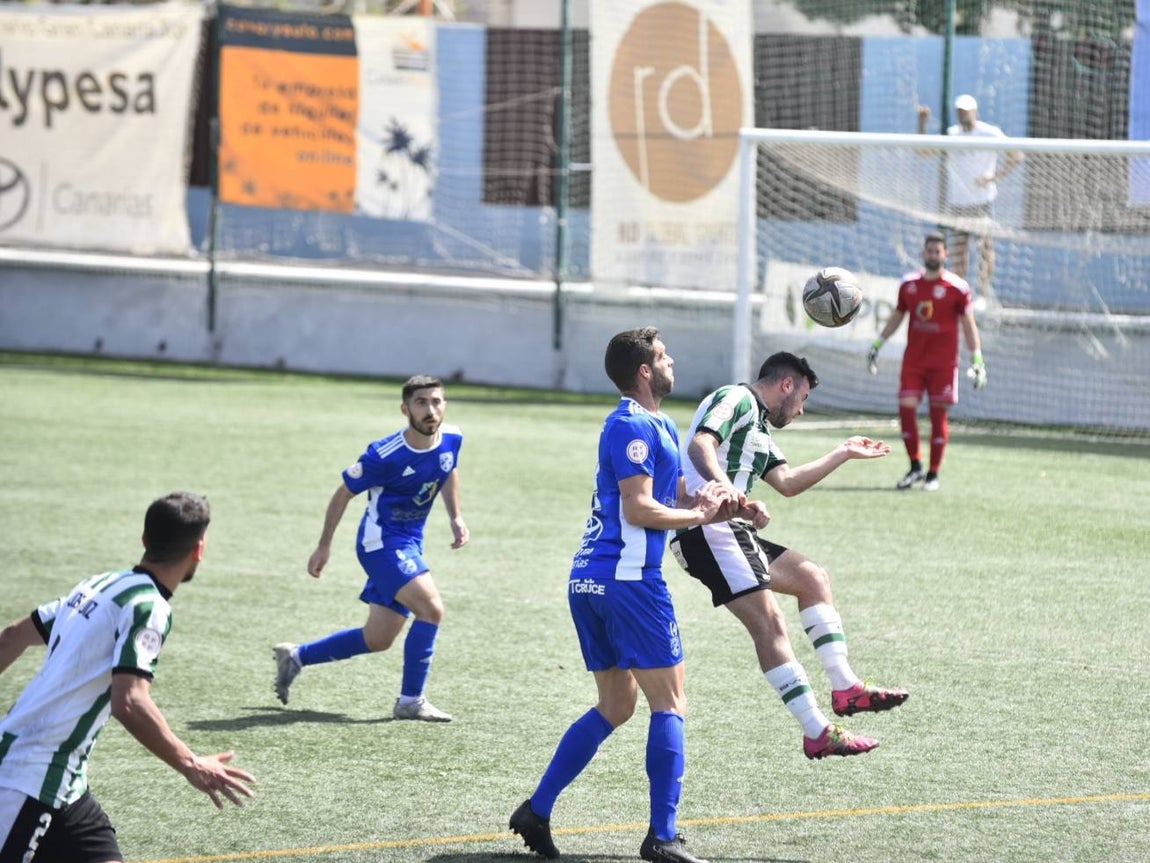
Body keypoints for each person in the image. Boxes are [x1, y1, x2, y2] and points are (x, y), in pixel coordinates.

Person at [509, 327, 739, 863]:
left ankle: (535, 811)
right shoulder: (629, 424)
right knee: (670, 702)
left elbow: (672, 493)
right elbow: (638, 508)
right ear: (644, 371)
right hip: (628, 581)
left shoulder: (658, 423)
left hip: (592, 579)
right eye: (662, 356)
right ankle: (662, 838)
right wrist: (697, 517)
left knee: (616, 705)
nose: (671, 361)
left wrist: (722, 501)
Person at [670, 351, 907, 762]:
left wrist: (843, 452)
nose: (800, 410)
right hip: (706, 529)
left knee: (812, 578)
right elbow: (700, 445)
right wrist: (730, 491)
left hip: (731, 528)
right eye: (804, 398)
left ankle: (846, 688)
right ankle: (818, 731)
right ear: (787, 383)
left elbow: (788, 482)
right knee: (770, 623)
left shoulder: (760, 432)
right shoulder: (736, 398)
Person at [0, 492, 255, 863]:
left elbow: (11, 637)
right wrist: (191, 764)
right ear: (198, 550)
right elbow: (130, 701)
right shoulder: (149, 606)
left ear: (145, 540)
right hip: (29, 778)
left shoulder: (99, 585)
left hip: (66, 782)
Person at [274, 375, 469, 722]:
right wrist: (323, 546)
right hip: (381, 542)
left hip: (411, 541)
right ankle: (411, 701)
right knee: (432, 610)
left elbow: (448, 469)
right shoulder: (384, 454)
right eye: (421, 403)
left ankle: (297, 656)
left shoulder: (452, 437)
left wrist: (456, 516)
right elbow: (344, 492)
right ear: (405, 408)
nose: (431, 410)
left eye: (436, 401)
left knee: (378, 638)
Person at [867, 232, 987, 492]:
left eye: (938, 251)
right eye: (929, 251)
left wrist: (977, 357)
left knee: (937, 416)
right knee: (906, 409)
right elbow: (898, 316)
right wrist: (878, 343)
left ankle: (933, 474)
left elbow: (968, 325)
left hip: (944, 365)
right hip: (914, 361)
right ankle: (915, 467)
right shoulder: (909, 284)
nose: (933, 255)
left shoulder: (958, 288)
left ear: (946, 254)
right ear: (923, 253)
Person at [917, 94, 1023, 302]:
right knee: (959, 251)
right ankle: (961, 294)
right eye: (960, 111)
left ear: (975, 111)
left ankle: (984, 292)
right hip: (959, 204)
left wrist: (993, 177)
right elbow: (923, 151)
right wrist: (922, 122)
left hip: (982, 201)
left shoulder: (989, 133)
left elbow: (1017, 156)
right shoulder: (952, 135)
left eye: (966, 111)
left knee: (985, 247)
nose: (963, 115)